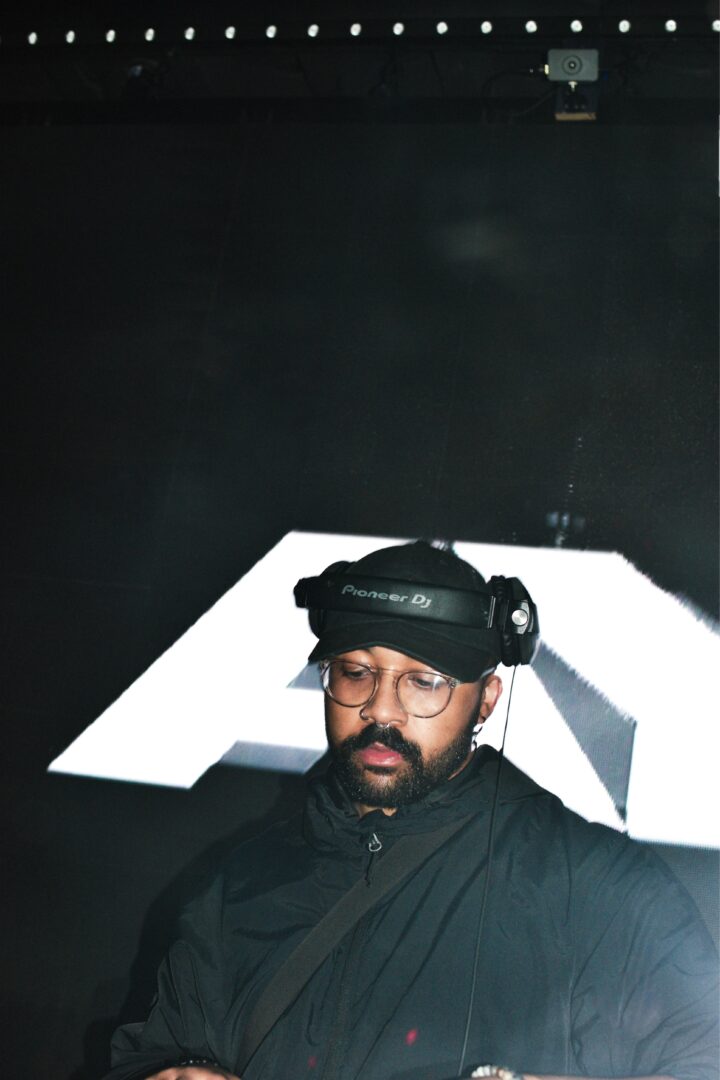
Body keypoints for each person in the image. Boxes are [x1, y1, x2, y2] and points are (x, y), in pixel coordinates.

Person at [104, 541, 719, 1080]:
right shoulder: (239, 884)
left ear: (486, 701)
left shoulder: (593, 886)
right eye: (355, 672)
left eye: (424, 681)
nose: (380, 709)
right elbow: (149, 1053)